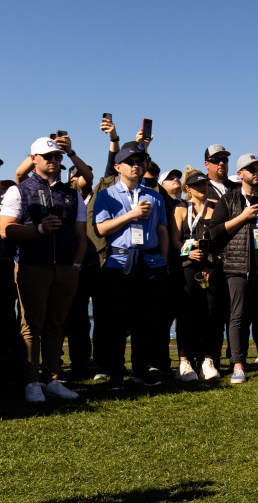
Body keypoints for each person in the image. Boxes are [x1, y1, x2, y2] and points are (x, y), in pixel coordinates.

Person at [0, 137, 86, 402]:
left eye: (57, 157)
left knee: (56, 325)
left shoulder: (72, 193)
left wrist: (76, 265)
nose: (54, 161)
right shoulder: (19, 190)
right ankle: (31, 381)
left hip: (65, 268)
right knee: (31, 326)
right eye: (48, 156)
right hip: (32, 266)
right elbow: (6, 229)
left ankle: (52, 379)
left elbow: (81, 235)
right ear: (33, 158)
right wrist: (38, 229)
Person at [93, 141, 170, 389]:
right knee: (116, 322)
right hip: (120, 262)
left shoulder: (155, 196)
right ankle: (116, 372)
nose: (137, 166)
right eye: (131, 162)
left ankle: (141, 370)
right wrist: (131, 215)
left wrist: (164, 262)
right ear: (118, 166)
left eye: (141, 162)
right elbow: (101, 228)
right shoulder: (106, 195)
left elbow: (162, 230)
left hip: (149, 261)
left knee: (145, 322)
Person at [208, 153, 258, 384]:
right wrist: (242, 217)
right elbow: (214, 233)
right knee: (238, 317)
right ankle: (238, 365)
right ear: (240, 174)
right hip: (237, 267)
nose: (256, 172)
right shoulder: (229, 200)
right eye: (251, 169)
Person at [171, 169, 226, 381]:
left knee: (211, 313)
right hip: (187, 267)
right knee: (186, 313)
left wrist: (213, 265)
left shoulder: (216, 208)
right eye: (197, 186)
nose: (202, 189)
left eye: (204, 185)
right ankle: (184, 361)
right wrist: (188, 252)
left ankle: (208, 359)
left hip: (211, 267)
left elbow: (222, 239)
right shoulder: (181, 209)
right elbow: (175, 239)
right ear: (188, 189)